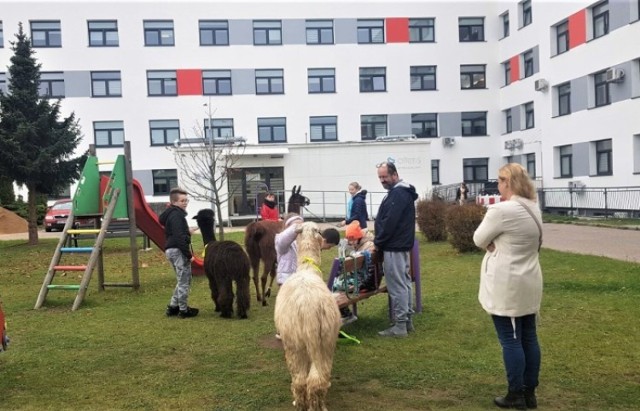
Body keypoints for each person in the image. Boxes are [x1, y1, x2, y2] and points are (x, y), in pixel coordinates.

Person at [473, 163, 543, 410]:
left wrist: (494, 244)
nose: (498, 186)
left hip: (507, 283)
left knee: (510, 340)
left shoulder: (501, 210)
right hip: (530, 278)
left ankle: (516, 394)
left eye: (500, 181)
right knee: (529, 337)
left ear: (508, 183)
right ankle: (529, 392)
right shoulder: (533, 206)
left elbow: (478, 238)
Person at [274, 213, 340, 339]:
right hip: (287, 278)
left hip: (302, 278)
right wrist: (294, 229)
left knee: (300, 308)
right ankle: (284, 331)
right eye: (295, 224)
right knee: (288, 308)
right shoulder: (283, 241)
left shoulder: (303, 240)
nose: (299, 226)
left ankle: (301, 331)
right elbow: (282, 242)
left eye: (300, 223)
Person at [374, 161, 418, 338]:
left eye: (385, 177)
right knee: (404, 282)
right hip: (400, 245)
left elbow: (390, 222)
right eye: (380, 177)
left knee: (397, 284)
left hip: (394, 245)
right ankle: (407, 321)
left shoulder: (398, 193)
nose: (382, 180)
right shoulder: (400, 192)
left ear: (394, 175)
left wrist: (378, 241)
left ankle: (400, 326)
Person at [159, 188, 200, 319]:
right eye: (182, 201)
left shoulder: (172, 214)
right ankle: (183, 310)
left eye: (186, 200)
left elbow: (177, 232)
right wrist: (189, 255)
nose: (185, 203)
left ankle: (172, 307)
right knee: (184, 281)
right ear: (174, 202)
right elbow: (178, 237)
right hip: (178, 251)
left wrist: (187, 231)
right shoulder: (176, 215)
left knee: (182, 279)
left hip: (171, 250)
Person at [334, 221, 375, 325]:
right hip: (371, 278)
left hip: (366, 281)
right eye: (349, 240)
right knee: (337, 284)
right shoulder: (366, 243)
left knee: (335, 286)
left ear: (359, 236)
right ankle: (345, 314)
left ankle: (346, 315)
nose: (351, 242)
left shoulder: (368, 246)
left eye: (353, 239)